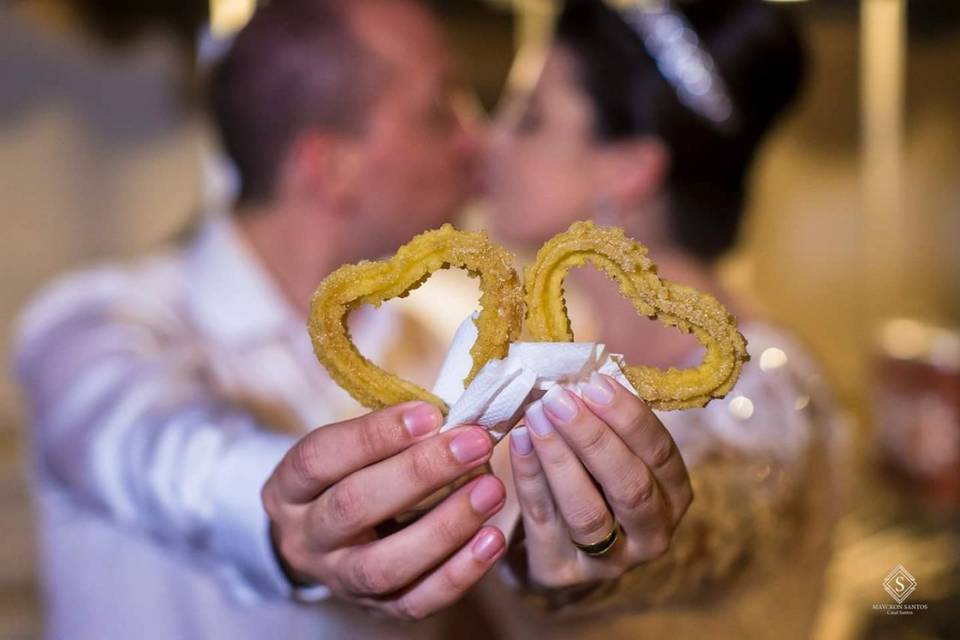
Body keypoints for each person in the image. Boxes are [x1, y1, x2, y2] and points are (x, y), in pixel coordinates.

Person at [14, 0, 693, 638]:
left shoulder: (451, 355)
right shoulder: (94, 322)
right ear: (331, 166)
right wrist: (285, 516)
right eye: (439, 110)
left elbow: (492, 588)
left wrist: (564, 555)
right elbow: (150, 449)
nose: (477, 140)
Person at [479, 0, 842, 637]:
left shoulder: (763, 393)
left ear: (631, 168)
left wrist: (591, 551)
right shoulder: (565, 356)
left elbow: (707, 532)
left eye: (530, 118)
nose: (491, 140)